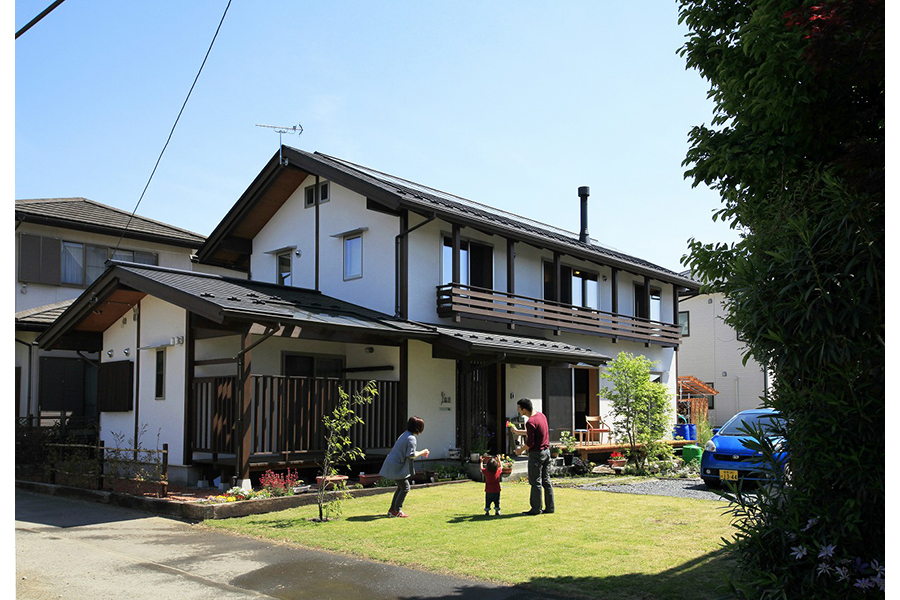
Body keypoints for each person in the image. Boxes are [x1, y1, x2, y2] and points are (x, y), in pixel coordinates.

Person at [379, 416, 429, 518]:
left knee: (401, 487)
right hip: (396, 466)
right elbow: (411, 455)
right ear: (418, 428)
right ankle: (395, 510)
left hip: (392, 464)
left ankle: (393, 510)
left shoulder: (405, 434)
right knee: (405, 487)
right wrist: (423, 452)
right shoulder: (411, 438)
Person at [514, 398, 554, 515]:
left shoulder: (530, 422)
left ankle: (535, 509)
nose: (518, 411)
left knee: (535, 481)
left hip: (536, 454)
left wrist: (520, 451)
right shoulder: (541, 416)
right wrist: (517, 431)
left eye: (519, 409)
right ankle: (550, 508)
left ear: (524, 409)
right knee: (546, 481)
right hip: (546, 452)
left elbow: (530, 442)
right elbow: (535, 432)